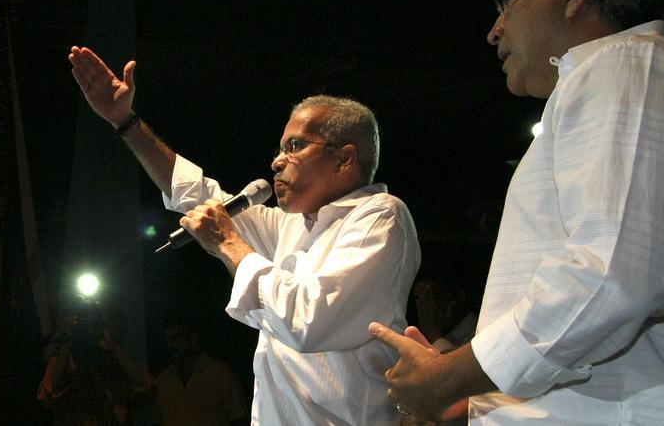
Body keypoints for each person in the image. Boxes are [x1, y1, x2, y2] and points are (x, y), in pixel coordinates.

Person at [369, 0, 664, 424]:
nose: (495, 30)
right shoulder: (615, 75)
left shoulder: (626, 62)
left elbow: (611, 275)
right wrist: (470, 388)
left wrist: (449, 377)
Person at [68, 45, 421, 424]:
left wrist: (228, 244)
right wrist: (126, 122)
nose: (276, 161)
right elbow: (197, 194)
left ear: (344, 158)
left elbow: (308, 323)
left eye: (295, 146)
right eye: (280, 148)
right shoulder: (290, 225)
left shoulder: (379, 215)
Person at [37, 298, 154, 425]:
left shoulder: (114, 360)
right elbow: (53, 392)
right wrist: (68, 343)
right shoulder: (61, 361)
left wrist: (111, 344)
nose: (88, 327)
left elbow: (142, 385)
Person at [153, 320, 246, 425]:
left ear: (192, 339)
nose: (170, 345)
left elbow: (238, 416)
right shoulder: (164, 380)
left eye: (176, 338)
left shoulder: (218, 373)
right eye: (168, 341)